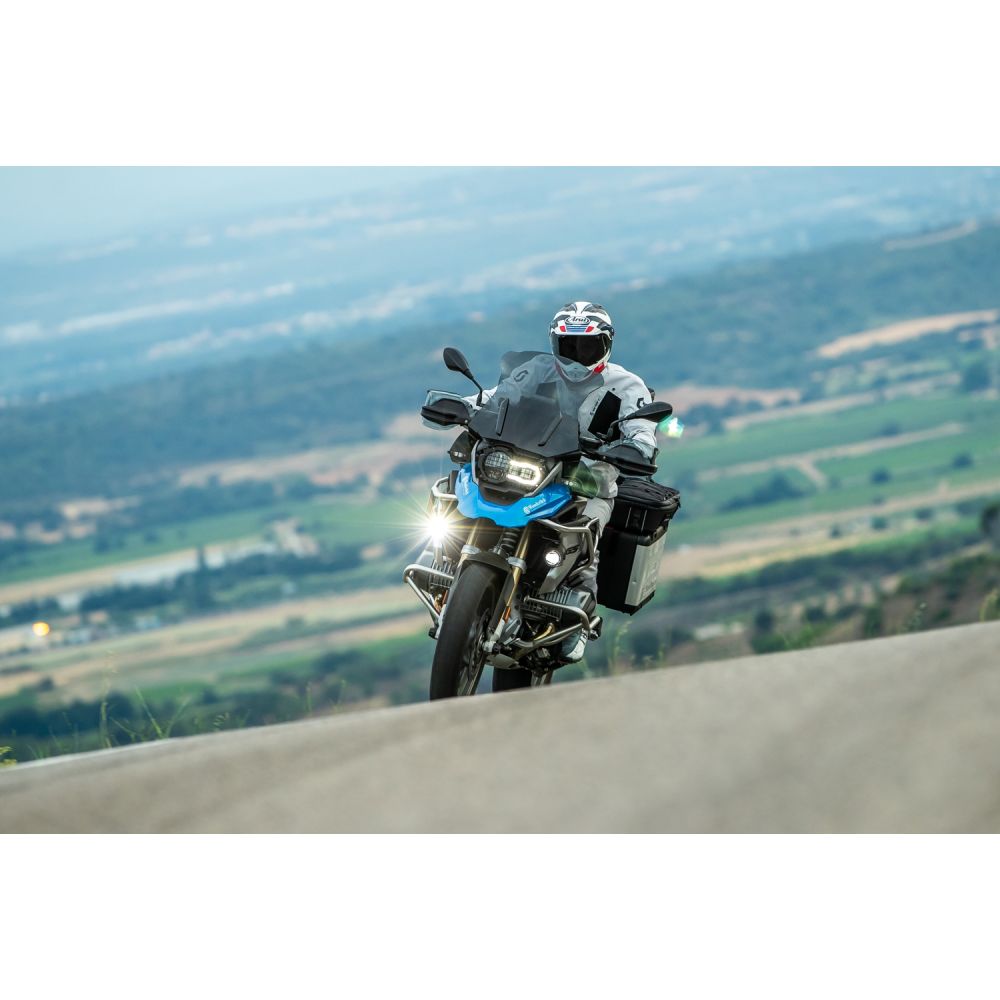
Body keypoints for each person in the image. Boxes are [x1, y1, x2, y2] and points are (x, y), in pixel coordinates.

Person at [457, 301, 658, 662]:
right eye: (568, 346)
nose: (577, 356)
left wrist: (639, 446)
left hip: (586, 478)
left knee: (588, 528)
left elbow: (642, 428)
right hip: (529, 467)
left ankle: (580, 609)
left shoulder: (628, 386)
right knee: (459, 487)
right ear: (554, 343)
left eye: (587, 347)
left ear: (606, 345)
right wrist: (460, 405)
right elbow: (496, 397)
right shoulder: (536, 370)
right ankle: (448, 563)